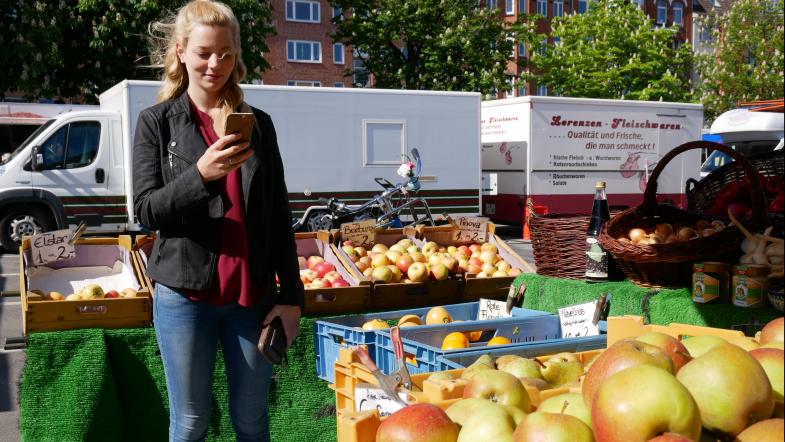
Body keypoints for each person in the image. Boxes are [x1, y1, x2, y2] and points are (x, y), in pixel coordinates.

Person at [132, 1, 304, 441]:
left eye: (226, 53)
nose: (216, 64)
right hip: (184, 299)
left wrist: (292, 298)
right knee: (189, 423)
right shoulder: (157, 123)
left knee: (251, 421)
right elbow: (147, 211)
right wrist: (201, 175)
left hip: (252, 299)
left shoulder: (258, 125)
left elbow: (278, 215)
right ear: (181, 52)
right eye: (206, 52)